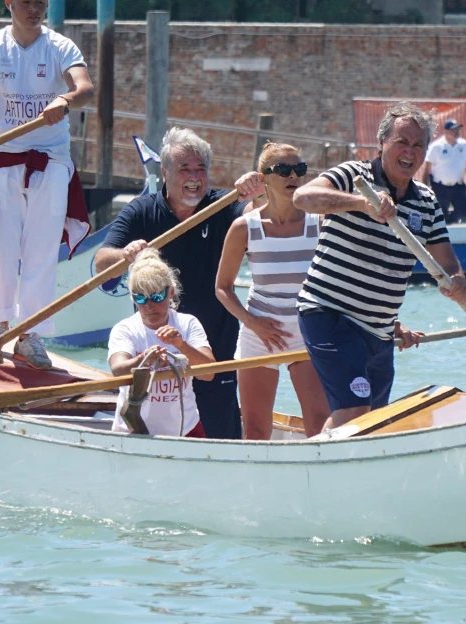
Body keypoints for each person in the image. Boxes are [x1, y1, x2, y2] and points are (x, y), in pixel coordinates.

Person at [292, 102, 466, 433]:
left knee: (373, 422)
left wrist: (458, 283)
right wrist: (362, 204)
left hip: (379, 332)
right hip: (329, 314)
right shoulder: (353, 176)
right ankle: (310, 470)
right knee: (356, 411)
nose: (410, 152)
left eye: (418, 145)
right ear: (382, 143)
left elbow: (447, 262)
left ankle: (339, 473)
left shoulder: (427, 202)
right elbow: (303, 198)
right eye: (401, 142)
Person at [0, 0, 95, 370]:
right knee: (2, 243)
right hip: (3, 157)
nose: (35, 8)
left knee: (42, 250)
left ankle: (30, 336)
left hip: (50, 161)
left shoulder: (60, 46)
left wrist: (65, 99)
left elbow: (85, 87)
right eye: (27, 1)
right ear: (9, 3)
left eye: (41, 2)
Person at [96, 127, 253, 440]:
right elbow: (101, 261)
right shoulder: (141, 211)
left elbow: (255, 214)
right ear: (165, 173)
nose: (194, 177)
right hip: (155, 352)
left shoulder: (222, 205)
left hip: (212, 348)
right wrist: (125, 254)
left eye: (200, 169)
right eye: (184, 169)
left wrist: (258, 192)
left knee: (222, 439)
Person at [215, 143, 331, 439]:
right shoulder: (245, 227)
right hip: (258, 335)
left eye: (299, 169)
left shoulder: (319, 224)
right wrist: (252, 323)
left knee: (318, 424)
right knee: (254, 427)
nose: (293, 176)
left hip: (306, 334)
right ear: (263, 178)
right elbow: (223, 288)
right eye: (283, 170)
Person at [108, 249, 215, 438]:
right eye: (140, 297)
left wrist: (181, 345)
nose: (149, 305)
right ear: (132, 296)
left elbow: (208, 373)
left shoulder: (188, 324)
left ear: (171, 292)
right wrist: (145, 359)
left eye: (157, 296)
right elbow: (117, 370)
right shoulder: (125, 329)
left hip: (185, 429)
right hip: (133, 430)